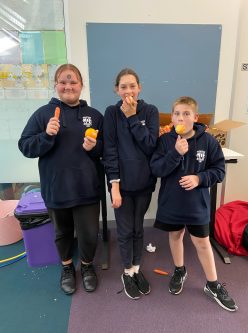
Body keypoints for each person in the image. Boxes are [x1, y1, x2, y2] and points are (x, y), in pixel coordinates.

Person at [18, 64, 103, 295]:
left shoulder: (94, 116)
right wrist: (46, 135)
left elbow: (106, 151)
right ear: (55, 85)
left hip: (87, 188)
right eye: (63, 82)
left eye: (73, 82)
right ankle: (66, 267)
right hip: (56, 188)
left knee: (88, 233)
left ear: (81, 85)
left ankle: (86, 267)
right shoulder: (43, 114)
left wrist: (94, 148)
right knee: (62, 232)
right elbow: (25, 146)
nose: (68, 86)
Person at [150, 96, 238, 312]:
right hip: (172, 203)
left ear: (195, 117)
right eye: (177, 114)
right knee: (175, 235)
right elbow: (157, 169)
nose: (181, 117)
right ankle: (179, 270)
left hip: (197, 205)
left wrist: (199, 179)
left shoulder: (208, 141)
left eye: (186, 113)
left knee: (202, 242)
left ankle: (213, 284)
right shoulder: (165, 141)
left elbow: (219, 170)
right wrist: (175, 153)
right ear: (171, 118)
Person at [103, 68, 159, 300]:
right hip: (121, 185)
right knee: (125, 230)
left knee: (138, 227)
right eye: (123, 87)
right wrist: (114, 185)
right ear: (117, 89)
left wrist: (133, 117)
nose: (128, 91)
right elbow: (110, 150)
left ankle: (136, 268)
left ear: (139, 87)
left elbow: (149, 146)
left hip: (144, 182)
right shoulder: (111, 113)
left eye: (132, 86)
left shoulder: (150, 111)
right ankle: (127, 271)